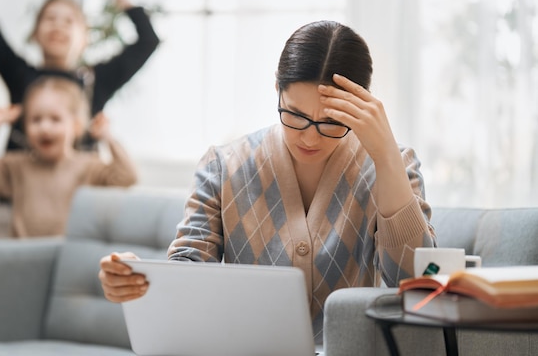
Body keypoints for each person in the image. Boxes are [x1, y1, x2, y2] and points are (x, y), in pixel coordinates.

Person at [98, 20, 437, 343]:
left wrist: (386, 157)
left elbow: (416, 285)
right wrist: (140, 281)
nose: (310, 138)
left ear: (362, 105)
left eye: (331, 121)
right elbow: (190, 275)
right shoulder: (223, 166)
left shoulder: (394, 164)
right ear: (277, 89)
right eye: (295, 115)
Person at [0, 0, 160, 150]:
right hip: (20, 185)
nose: (58, 25)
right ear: (35, 34)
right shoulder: (18, 73)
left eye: (69, 21)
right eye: (50, 18)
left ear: (85, 39)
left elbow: (148, 41)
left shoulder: (96, 82)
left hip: (79, 186)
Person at [0, 76, 138, 237]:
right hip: (24, 258)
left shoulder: (89, 166)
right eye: (36, 119)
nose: (44, 127)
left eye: (55, 119)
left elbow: (127, 176)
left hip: (69, 256)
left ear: (76, 126)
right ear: (25, 127)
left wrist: (108, 138)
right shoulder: (17, 167)